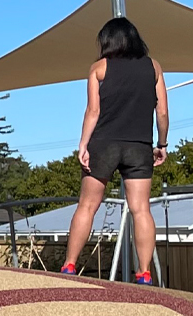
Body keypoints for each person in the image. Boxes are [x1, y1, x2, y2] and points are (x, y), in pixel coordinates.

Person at [60, 17, 169, 284]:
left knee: (87, 206)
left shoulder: (99, 68)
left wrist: (83, 144)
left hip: (104, 144)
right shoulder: (153, 68)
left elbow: (93, 111)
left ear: (108, 41)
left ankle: (69, 266)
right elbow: (163, 112)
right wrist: (162, 144)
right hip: (139, 146)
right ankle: (144, 273)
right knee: (141, 209)